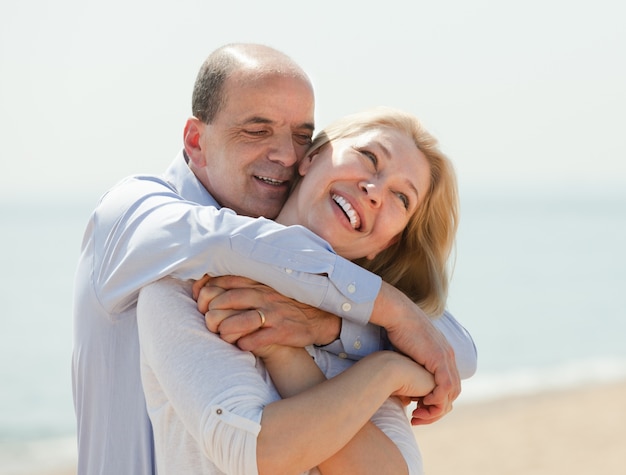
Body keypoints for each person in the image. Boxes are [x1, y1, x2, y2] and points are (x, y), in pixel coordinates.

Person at [72, 43, 476, 474]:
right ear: (196, 139)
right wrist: (391, 318)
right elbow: (220, 243)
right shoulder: (148, 231)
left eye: (301, 136)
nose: (286, 155)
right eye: (257, 129)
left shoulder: (326, 296)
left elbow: (458, 354)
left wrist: (335, 327)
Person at [137, 107, 465, 474]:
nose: (374, 192)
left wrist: (294, 354)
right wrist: (387, 372)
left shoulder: (367, 344)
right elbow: (250, 452)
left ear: (387, 244)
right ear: (312, 157)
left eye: (402, 197)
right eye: (369, 157)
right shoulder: (186, 286)